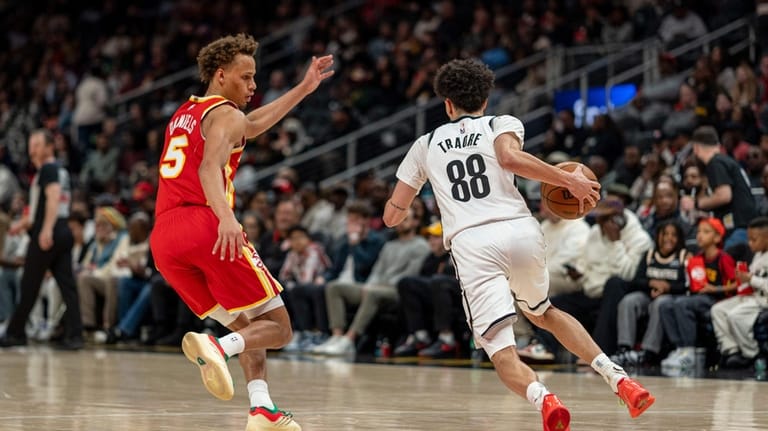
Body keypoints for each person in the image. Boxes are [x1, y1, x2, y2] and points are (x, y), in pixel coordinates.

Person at [383, 59, 655, 431]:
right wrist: (567, 180)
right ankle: (619, 378)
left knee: (501, 351)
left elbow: (393, 216)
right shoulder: (501, 123)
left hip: (473, 243)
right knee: (543, 312)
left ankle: (545, 399)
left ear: (447, 104)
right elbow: (509, 158)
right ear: (485, 99)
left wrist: (397, 207)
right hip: (520, 230)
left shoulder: (425, 144)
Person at [149, 33, 333, 431]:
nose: (253, 85)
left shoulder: (185, 112)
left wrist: (303, 88)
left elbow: (251, 125)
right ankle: (218, 347)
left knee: (252, 328)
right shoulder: (226, 113)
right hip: (205, 227)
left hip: (164, 238)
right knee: (279, 328)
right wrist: (226, 218)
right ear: (220, 75)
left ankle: (261, 408)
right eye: (246, 77)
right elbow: (208, 168)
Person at [0, 130, 84, 350]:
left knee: (29, 284)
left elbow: (53, 197)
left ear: (49, 147)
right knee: (67, 286)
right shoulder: (59, 170)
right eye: (31, 145)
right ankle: (76, 335)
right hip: (62, 229)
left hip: (49, 231)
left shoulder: (48, 168)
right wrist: (22, 224)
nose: (32, 150)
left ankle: (15, 333)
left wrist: (46, 229)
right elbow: (43, 207)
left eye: (37, 144)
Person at [659, 217, 736, 373]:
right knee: (665, 304)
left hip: (718, 300)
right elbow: (693, 284)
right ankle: (679, 348)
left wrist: (715, 289)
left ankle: (689, 350)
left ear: (717, 237)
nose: (700, 235)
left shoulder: (723, 258)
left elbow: (736, 284)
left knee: (682, 303)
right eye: (699, 231)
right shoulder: (697, 258)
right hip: (700, 298)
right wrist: (688, 267)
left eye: (706, 232)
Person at [613, 220, 690, 367]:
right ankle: (624, 348)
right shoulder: (649, 255)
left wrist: (668, 287)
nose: (669, 238)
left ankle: (648, 351)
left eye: (673, 235)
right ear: (658, 236)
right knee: (628, 301)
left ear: (679, 238)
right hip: (648, 295)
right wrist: (651, 283)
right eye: (665, 234)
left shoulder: (683, 256)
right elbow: (636, 280)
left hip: (671, 297)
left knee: (660, 303)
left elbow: (686, 285)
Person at [680, 125, 757, 248]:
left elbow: (724, 196)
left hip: (737, 228)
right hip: (744, 225)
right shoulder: (725, 160)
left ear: (696, 148)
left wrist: (695, 203)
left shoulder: (715, 163)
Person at [711, 216, 768, 368]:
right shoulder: (759, 255)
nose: (750, 243)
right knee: (718, 309)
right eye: (749, 239)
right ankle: (732, 350)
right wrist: (743, 279)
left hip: (764, 300)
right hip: (753, 296)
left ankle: (752, 354)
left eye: (754, 240)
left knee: (734, 316)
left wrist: (751, 279)